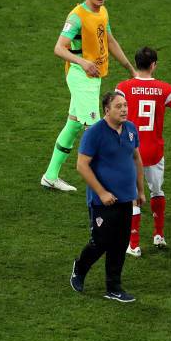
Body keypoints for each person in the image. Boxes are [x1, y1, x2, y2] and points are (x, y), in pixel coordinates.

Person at [40, 0, 137, 192]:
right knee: (97, 129)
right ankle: (105, 184)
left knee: (73, 124)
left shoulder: (102, 12)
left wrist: (130, 69)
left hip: (94, 77)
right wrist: (82, 62)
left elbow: (109, 40)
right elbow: (58, 48)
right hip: (80, 76)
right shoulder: (76, 17)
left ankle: (50, 176)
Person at [116, 47, 171, 256]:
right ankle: (159, 235)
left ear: (136, 63)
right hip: (154, 150)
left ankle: (133, 245)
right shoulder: (164, 89)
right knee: (157, 191)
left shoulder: (123, 88)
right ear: (153, 65)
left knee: (133, 196)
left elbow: (114, 114)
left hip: (129, 150)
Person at [69, 92, 146, 303]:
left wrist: (140, 191)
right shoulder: (95, 133)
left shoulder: (130, 129)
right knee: (100, 242)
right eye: (119, 106)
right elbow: (81, 165)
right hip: (102, 201)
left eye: (125, 105)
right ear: (107, 110)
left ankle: (113, 287)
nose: (124, 109)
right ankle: (80, 267)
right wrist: (102, 192)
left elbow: (137, 159)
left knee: (120, 244)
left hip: (125, 199)